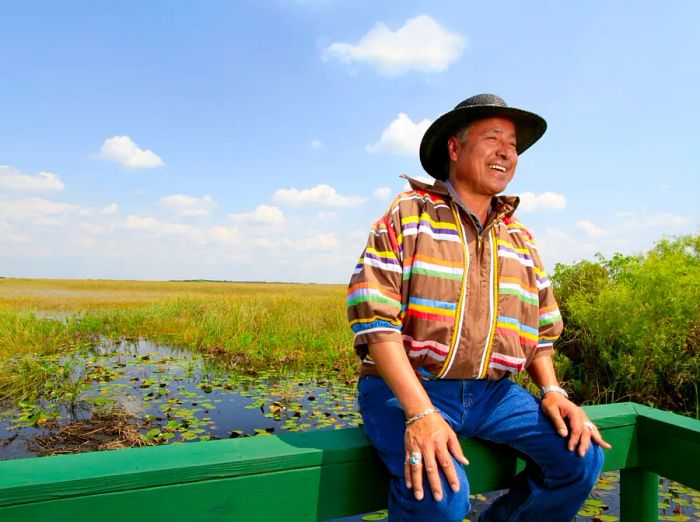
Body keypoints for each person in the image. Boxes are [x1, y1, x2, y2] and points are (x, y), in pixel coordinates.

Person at [347, 93, 611, 521]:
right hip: (409, 387)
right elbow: (375, 320)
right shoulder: (410, 212)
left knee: (580, 458)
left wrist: (552, 390)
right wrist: (421, 413)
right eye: (493, 138)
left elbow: (541, 330)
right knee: (442, 496)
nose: (507, 151)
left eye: (513, 145)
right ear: (454, 148)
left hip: (493, 394)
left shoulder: (519, 235)